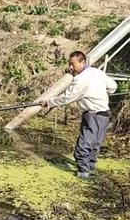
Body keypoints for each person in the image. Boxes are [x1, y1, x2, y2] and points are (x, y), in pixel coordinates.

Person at [40, 51, 117, 179]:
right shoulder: (97, 72)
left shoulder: (80, 79)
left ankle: (83, 173)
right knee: (95, 145)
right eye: (69, 64)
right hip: (104, 115)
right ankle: (90, 169)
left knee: (83, 145)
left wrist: (48, 102)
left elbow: (67, 98)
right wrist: (99, 91)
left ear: (82, 62)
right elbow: (113, 87)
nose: (70, 67)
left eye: (73, 64)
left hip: (92, 115)